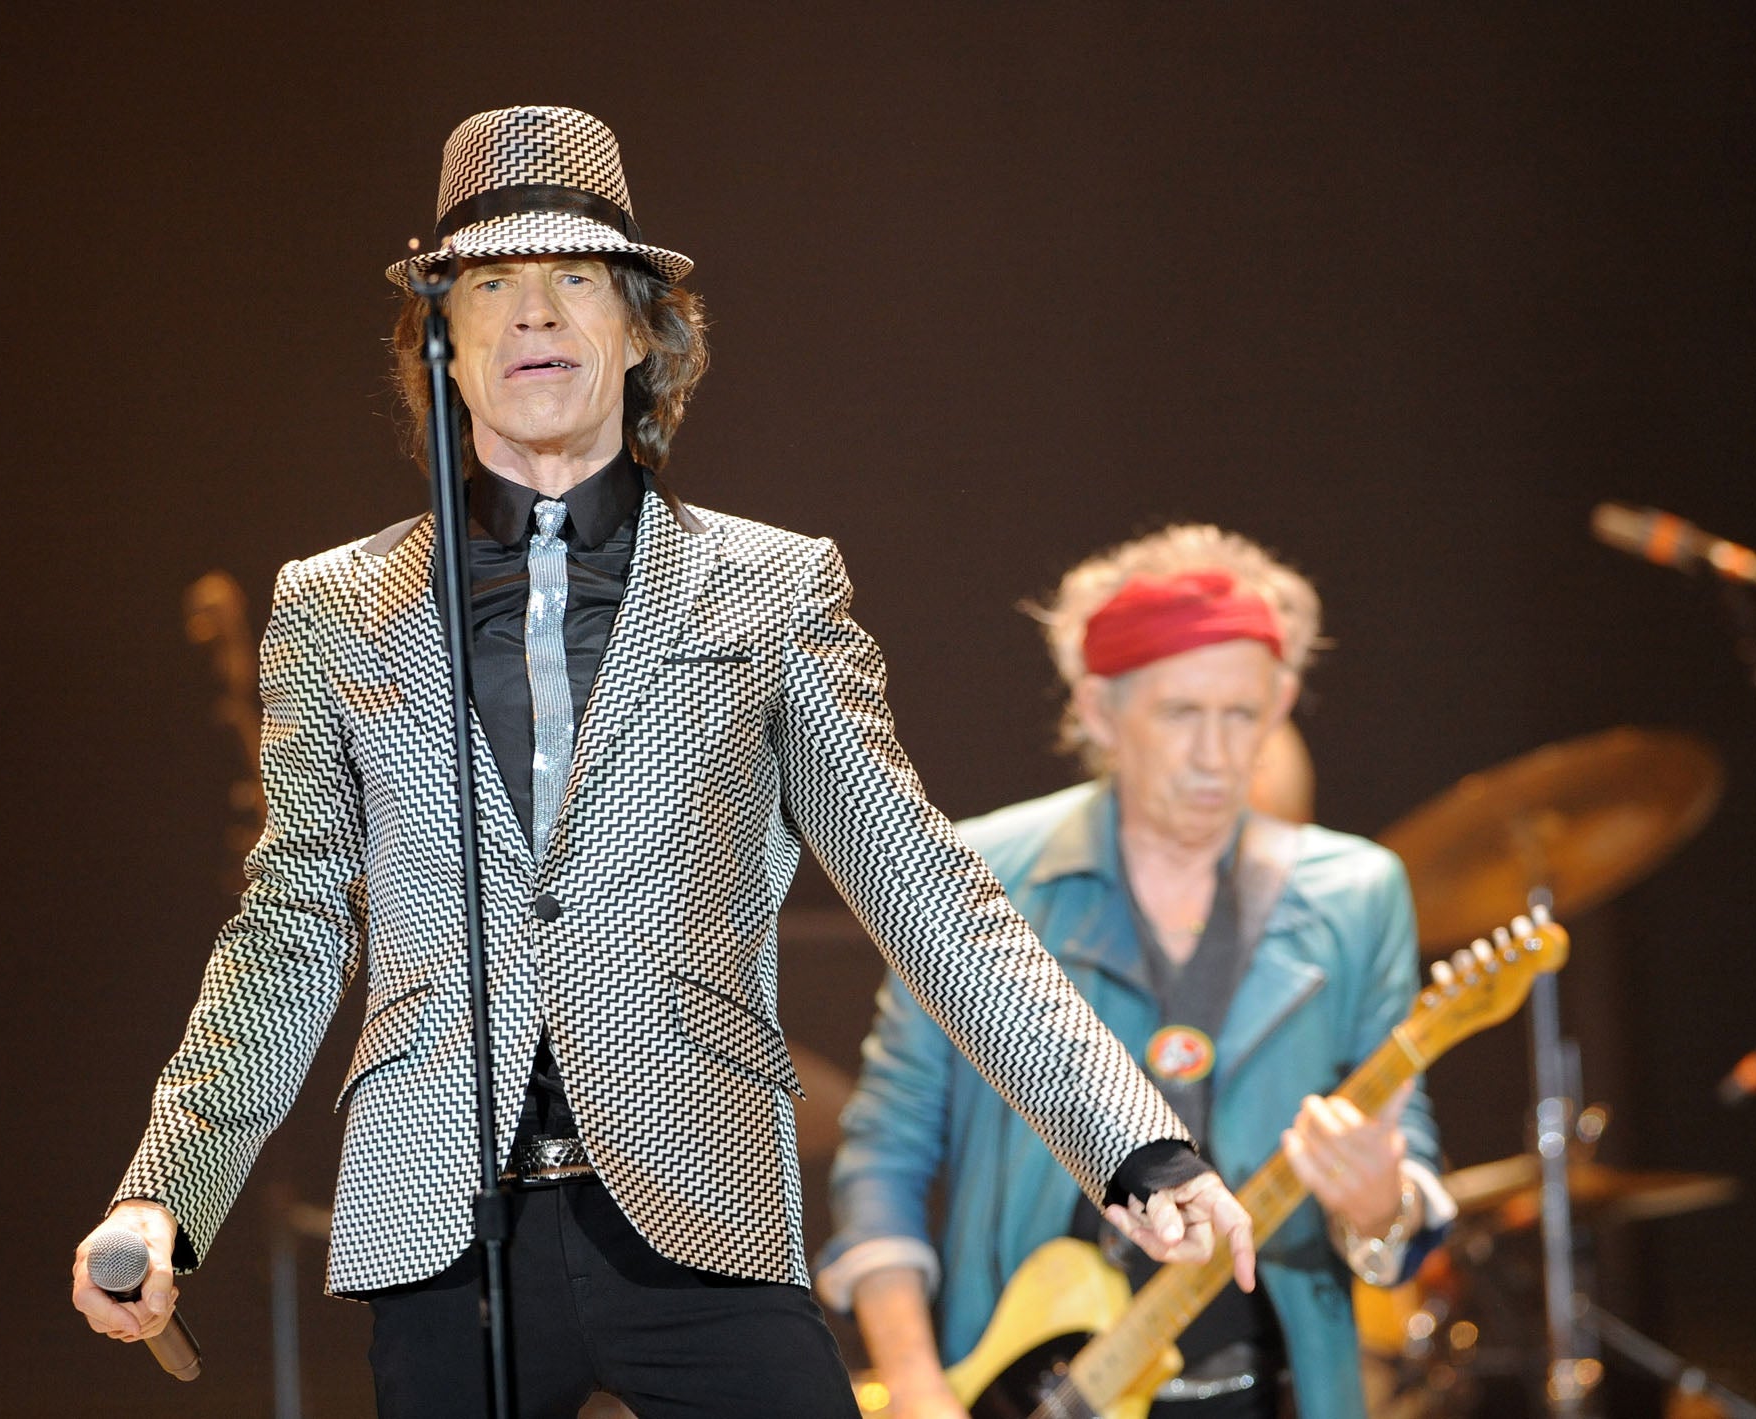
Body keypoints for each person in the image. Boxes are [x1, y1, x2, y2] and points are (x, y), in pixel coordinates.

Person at [68, 107, 1257, 1419]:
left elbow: (926, 887)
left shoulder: (769, 587)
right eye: (494, 285)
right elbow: (288, 924)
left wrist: (1133, 1142)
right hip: (440, 1222)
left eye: (575, 279)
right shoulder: (335, 605)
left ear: (641, 332)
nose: (534, 314)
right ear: (441, 341)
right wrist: (162, 1190)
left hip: (697, 1199)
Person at [819, 525, 1454, 1419]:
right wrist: (918, 1386)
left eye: (1243, 715)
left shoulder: (1356, 893)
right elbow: (885, 1149)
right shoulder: (979, 870)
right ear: (1098, 708)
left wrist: (1380, 1198)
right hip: (1022, 1386)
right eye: (1180, 713)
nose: (1215, 755)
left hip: (1269, 1389)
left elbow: (1405, 1156)